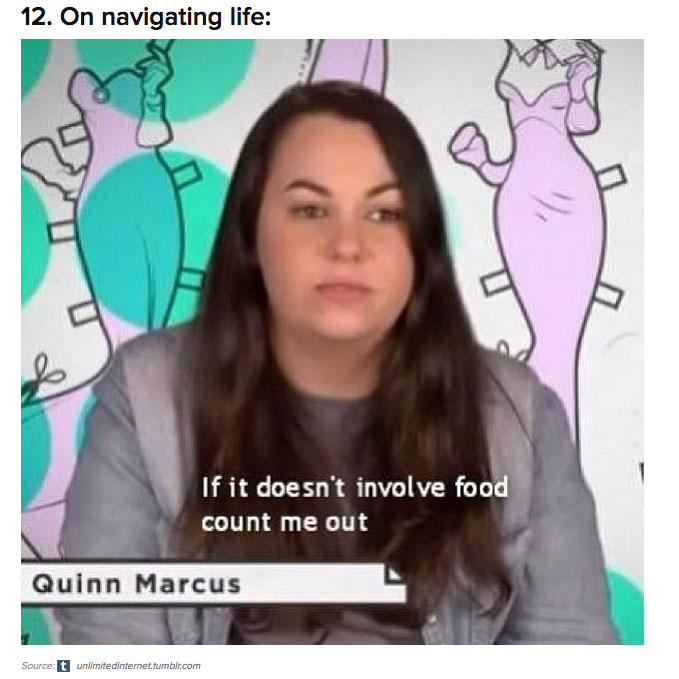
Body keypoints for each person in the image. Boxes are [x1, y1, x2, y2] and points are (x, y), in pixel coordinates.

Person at [56, 81, 618, 644]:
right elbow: (111, 644)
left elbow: (571, 643)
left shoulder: (518, 415)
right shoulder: (145, 397)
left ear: (420, 247)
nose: (347, 245)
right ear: (251, 233)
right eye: (310, 209)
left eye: (384, 213)